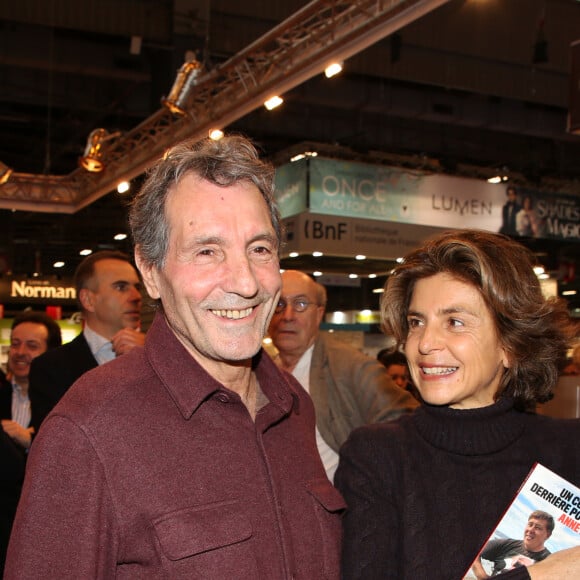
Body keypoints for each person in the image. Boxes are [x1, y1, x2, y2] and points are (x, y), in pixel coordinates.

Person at [5, 135, 344, 579]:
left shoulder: (293, 404)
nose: (245, 282)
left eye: (259, 249)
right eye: (207, 251)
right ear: (150, 271)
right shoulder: (88, 432)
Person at [335, 229, 580, 579]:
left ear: (510, 344)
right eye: (416, 322)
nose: (424, 343)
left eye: (455, 322)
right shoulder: (377, 457)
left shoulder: (569, 449)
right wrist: (542, 575)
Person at [268, 270, 418, 481]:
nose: (288, 316)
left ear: (319, 314)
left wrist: (365, 481)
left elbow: (408, 420)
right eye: (279, 304)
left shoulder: (350, 366)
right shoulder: (261, 370)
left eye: (301, 304)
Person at [28, 249, 144, 435]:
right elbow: (57, 444)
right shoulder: (50, 368)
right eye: (121, 287)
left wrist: (149, 359)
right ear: (88, 299)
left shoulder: (162, 356)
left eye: (137, 287)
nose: (136, 297)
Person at [0, 311, 62, 576]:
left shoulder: (61, 402)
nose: (20, 352)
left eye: (32, 346)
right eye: (15, 343)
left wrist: (30, 441)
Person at [472, 511, 554, 577]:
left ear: (548, 535)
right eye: (530, 525)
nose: (531, 530)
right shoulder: (506, 544)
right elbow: (474, 553)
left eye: (537, 528)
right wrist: (483, 577)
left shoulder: (549, 562)